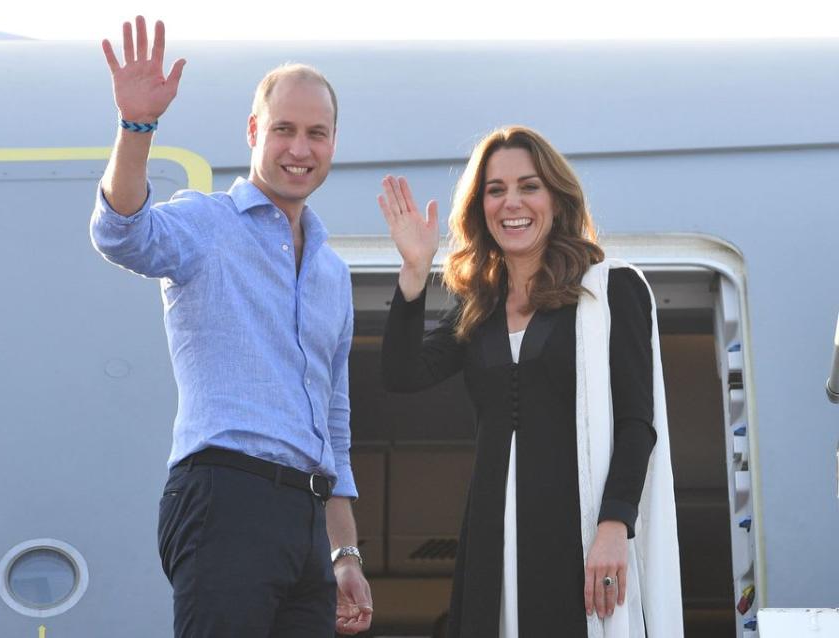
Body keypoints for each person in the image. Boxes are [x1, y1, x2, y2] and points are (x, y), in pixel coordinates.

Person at [90, 16, 372, 638]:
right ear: (253, 132)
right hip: (225, 495)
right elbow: (120, 233)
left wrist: (344, 554)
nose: (300, 149)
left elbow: (335, 423)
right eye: (284, 130)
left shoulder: (331, 271)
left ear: (333, 143)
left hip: (308, 518)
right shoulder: (206, 222)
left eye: (316, 134)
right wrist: (137, 126)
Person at [378, 126, 682, 637]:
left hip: (578, 533)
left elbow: (637, 422)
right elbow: (402, 374)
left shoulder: (611, 290)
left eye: (528, 186)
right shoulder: (479, 309)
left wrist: (614, 525)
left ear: (556, 199)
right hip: (491, 538)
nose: (511, 202)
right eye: (495, 190)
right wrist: (413, 271)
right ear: (481, 208)